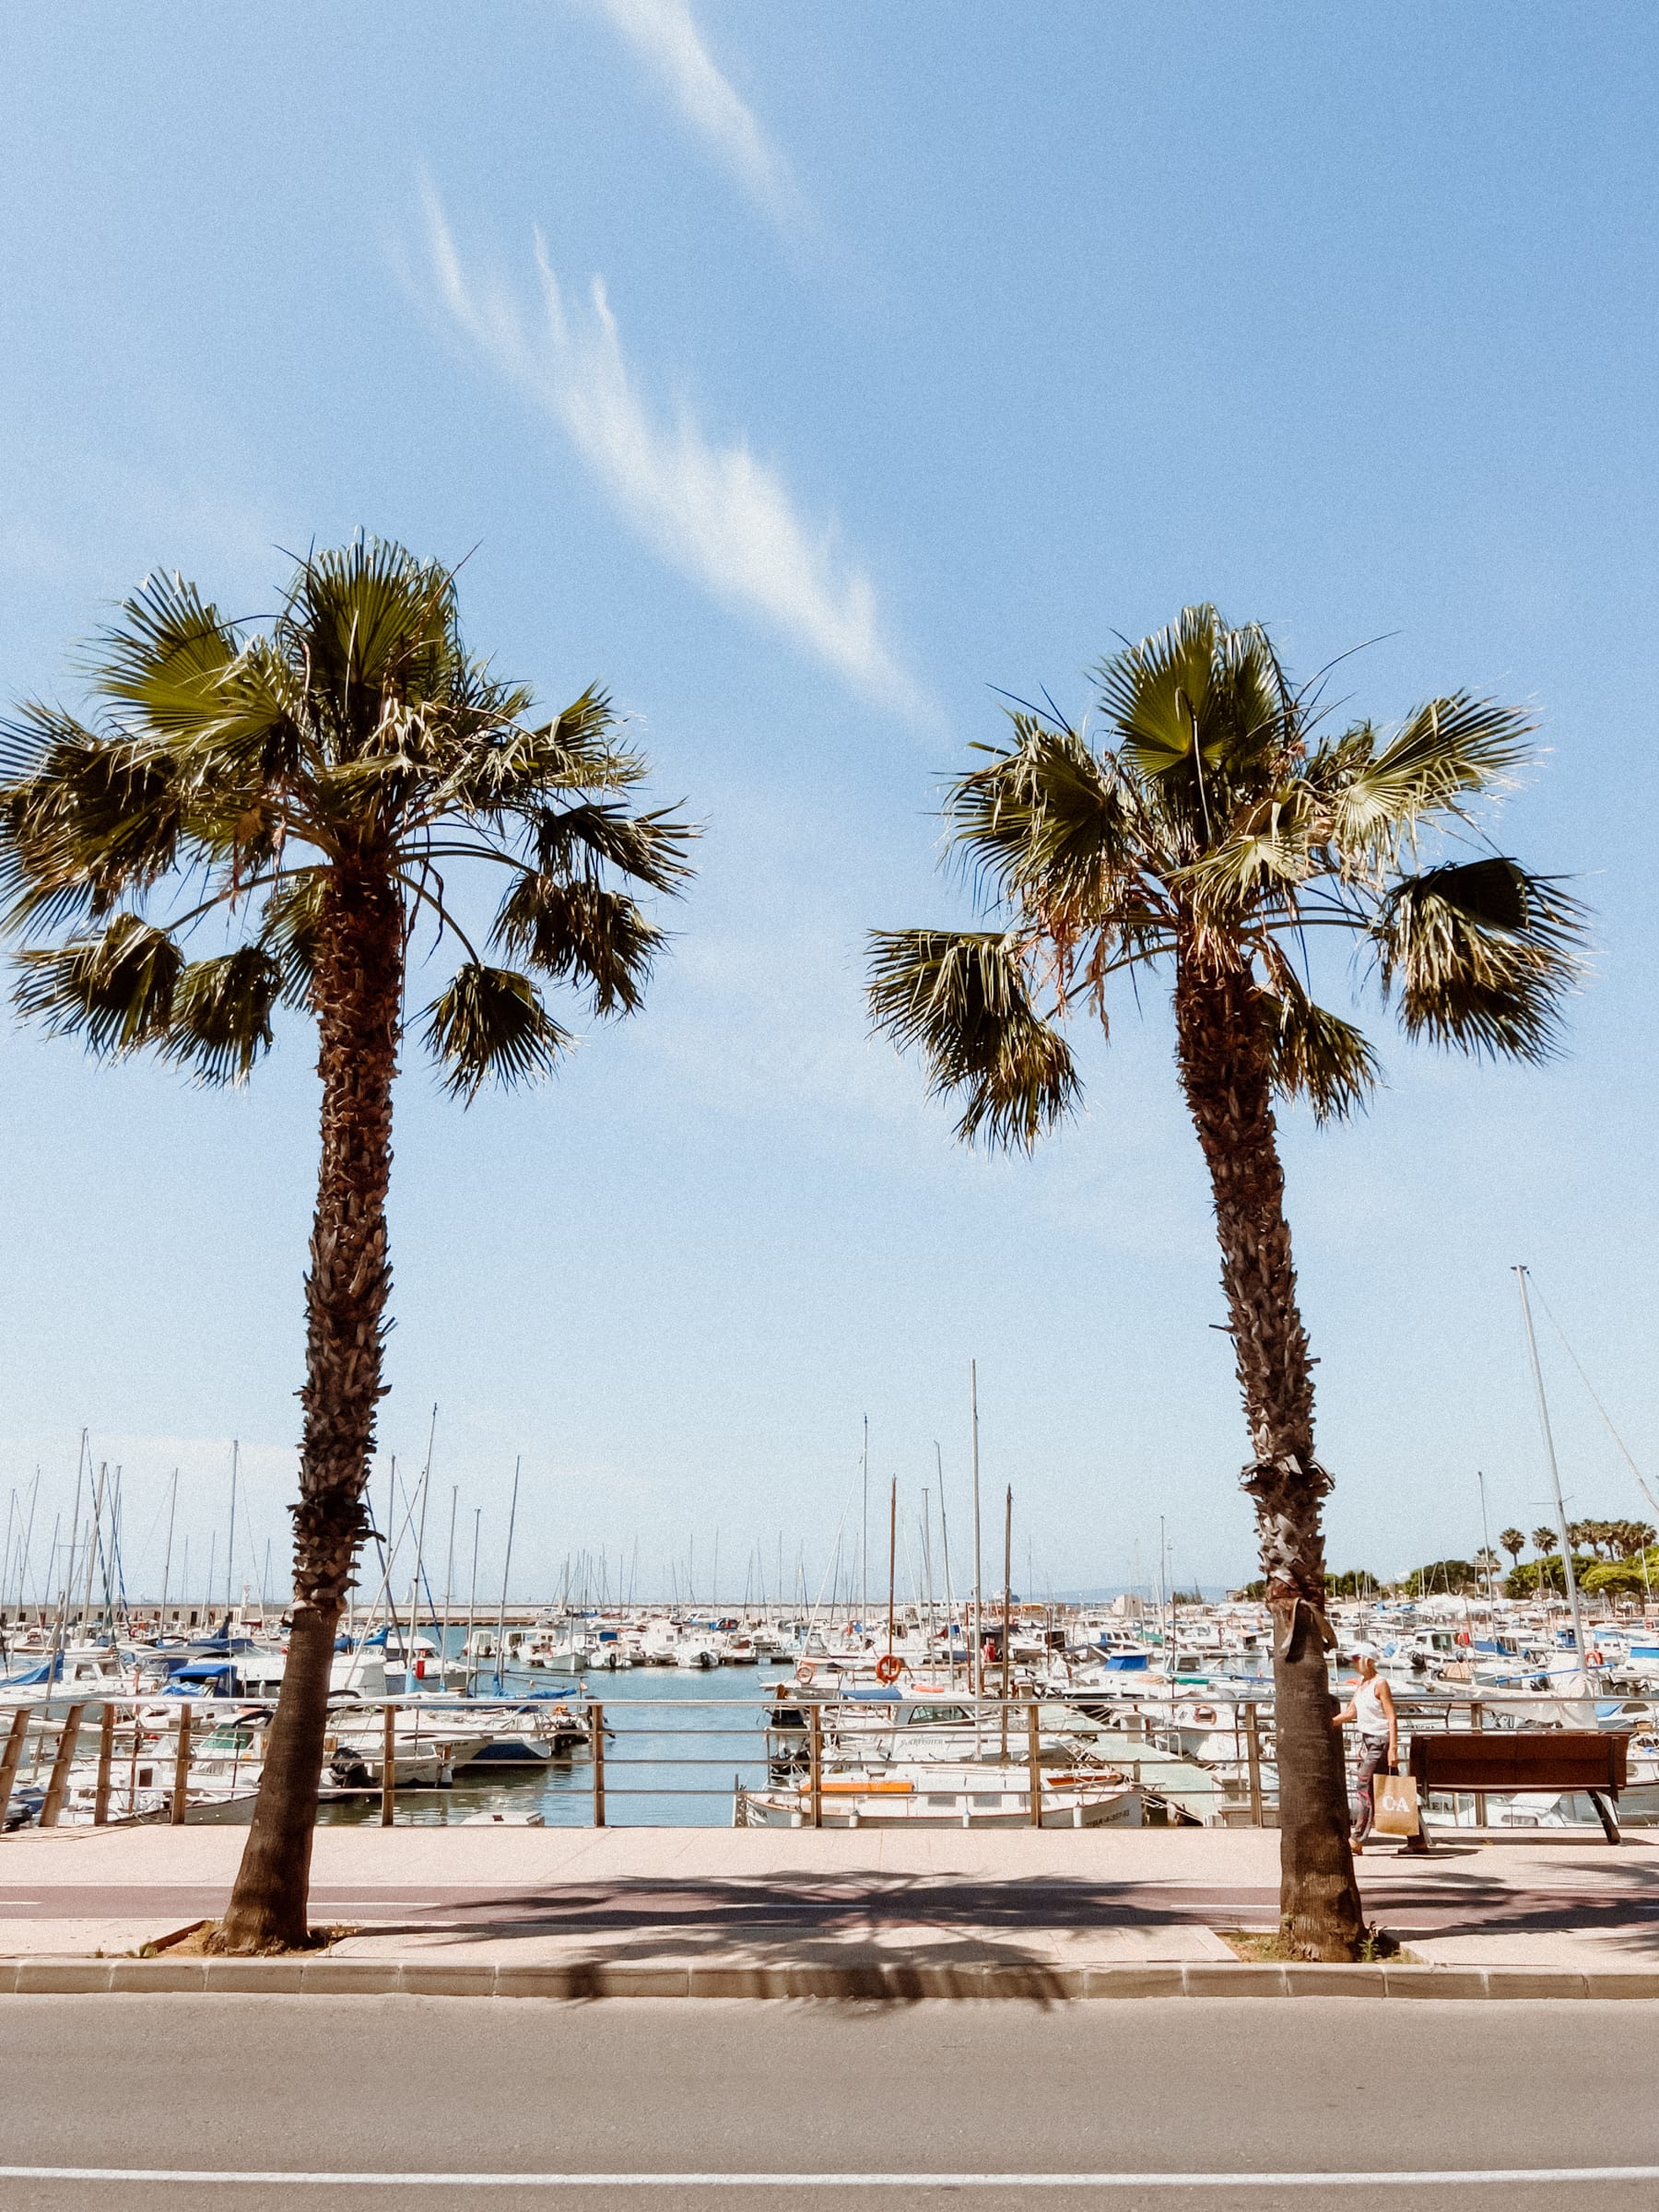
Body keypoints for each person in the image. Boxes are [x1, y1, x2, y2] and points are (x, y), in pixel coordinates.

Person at [1333, 1649, 1398, 1853]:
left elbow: (1391, 1717)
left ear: (1368, 1661)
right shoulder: (1362, 1684)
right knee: (1395, 1789)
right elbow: (1351, 1712)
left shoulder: (1380, 1684)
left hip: (1380, 1742)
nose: (1352, 1663)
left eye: (1356, 1658)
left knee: (1363, 1784)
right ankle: (1417, 1839)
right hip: (1368, 1742)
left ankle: (1357, 1837)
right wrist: (1328, 1723)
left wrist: (1393, 1749)